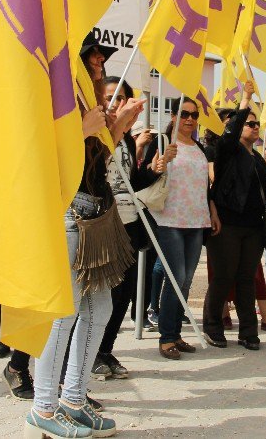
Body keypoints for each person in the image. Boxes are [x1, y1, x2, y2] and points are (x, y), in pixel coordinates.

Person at [24, 34, 143, 439]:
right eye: (91, 58)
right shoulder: (57, 100)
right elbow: (36, 153)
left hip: (96, 213)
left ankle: (73, 400)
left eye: (100, 59)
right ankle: (43, 407)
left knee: (101, 307)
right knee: (64, 312)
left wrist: (117, 128)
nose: (98, 64)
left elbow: (96, 161)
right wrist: (81, 129)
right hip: (68, 212)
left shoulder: (91, 106)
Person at [140, 97, 217, 360]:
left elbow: (204, 185)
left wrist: (212, 211)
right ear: (173, 116)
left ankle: (174, 333)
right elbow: (146, 175)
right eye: (184, 113)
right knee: (175, 278)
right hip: (168, 219)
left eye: (194, 115)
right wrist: (159, 163)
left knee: (185, 280)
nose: (189, 119)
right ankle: (166, 338)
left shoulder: (199, 147)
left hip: (195, 221)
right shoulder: (162, 143)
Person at [93, 77, 158, 377]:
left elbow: (129, 183)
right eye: (111, 97)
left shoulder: (129, 140)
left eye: (123, 98)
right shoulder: (95, 133)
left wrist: (153, 171)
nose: (117, 103)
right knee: (102, 295)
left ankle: (105, 350)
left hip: (130, 223)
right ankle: (89, 354)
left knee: (125, 292)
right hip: (103, 223)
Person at [203, 80, 266, 351]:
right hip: (227, 224)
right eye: (249, 124)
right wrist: (245, 100)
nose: (255, 128)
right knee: (223, 276)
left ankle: (248, 332)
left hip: (253, 228)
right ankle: (212, 326)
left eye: (256, 125)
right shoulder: (226, 151)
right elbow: (229, 134)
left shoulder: (258, 159)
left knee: (247, 279)